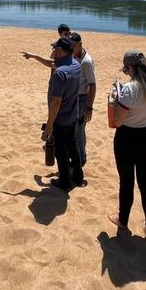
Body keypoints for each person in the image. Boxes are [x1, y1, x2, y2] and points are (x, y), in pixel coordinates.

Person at [108, 49, 146, 243]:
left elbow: (118, 121)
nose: (126, 73)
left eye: (126, 70)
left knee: (126, 181)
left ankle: (123, 220)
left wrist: (115, 99)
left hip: (127, 138)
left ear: (132, 68)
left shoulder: (129, 90)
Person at [43, 37, 85, 191]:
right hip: (72, 115)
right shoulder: (76, 65)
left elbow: (56, 102)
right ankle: (78, 177)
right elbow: (52, 63)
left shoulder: (60, 73)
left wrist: (49, 125)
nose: (53, 51)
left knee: (61, 152)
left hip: (61, 119)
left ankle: (65, 181)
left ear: (60, 50)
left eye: (55, 49)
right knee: (73, 146)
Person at [70, 32, 96, 166]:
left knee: (79, 130)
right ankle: (77, 155)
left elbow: (92, 85)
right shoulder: (73, 55)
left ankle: (81, 158)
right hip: (73, 98)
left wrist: (89, 107)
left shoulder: (86, 62)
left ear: (80, 44)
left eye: (73, 45)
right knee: (74, 129)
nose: (71, 48)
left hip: (81, 99)